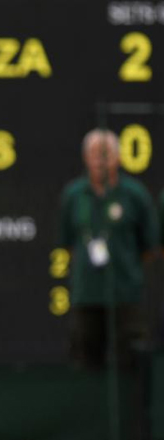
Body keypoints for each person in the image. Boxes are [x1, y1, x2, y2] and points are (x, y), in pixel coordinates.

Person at [58, 128, 158, 371]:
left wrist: (126, 266)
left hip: (126, 293)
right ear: (85, 158)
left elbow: (150, 247)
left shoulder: (135, 194)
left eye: (106, 154)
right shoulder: (73, 195)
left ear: (119, 157)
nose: (100, 160)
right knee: (85, 359)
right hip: (87, 294)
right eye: (94, 154)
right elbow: (68, 245)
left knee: (133, 361)